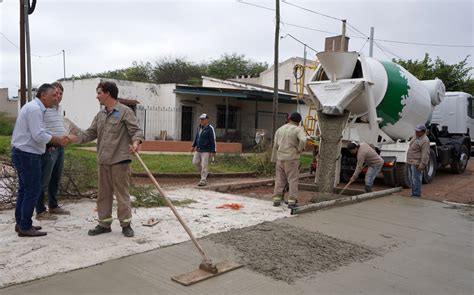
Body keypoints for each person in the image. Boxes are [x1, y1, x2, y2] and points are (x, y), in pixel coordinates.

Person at [74, 81, 144, 237]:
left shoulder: (125, 112)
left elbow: (136, 131)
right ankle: (104, 224)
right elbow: (90, 134)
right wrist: (73, 137)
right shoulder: (100, 115)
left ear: (108, 93)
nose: (97, 96)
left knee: (122, 195)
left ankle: (126, 224)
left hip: (120, 161)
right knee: (103, 195)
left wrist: (136, 142)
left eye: (99, 93)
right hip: (103, 161)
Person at [11, 83, 70, 237]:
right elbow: (39, 135)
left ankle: (22, 223)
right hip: (27, 155)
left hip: (25, 153)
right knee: (32, 189)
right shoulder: (35, 110)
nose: (54, 99)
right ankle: (25, 226)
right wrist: (57, 140)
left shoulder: (35, 108)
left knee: (24, 190)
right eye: (52, 95)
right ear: (43, 95)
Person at [35, 82, 70, 221]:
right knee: (44, 180)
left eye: (61, 94)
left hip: (60, 148)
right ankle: (40, 211)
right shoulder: (44, 108)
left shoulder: (59, 108)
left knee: (55, 178)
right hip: (49, 148)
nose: (58, 97)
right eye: (55, 94)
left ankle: (53, 205)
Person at [271, 112, 307, 209]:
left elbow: (275, 145)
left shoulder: (280, 129)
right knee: (292, 180)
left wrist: (274, 158)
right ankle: (292, 201)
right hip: (291, 159)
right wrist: (299, 149)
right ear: (299, 121)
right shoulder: (298, 129)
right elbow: (303, 140)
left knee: (279, 180)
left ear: (289, 119)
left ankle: (276, 200)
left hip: (280, 158)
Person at [191, 113, 216, 186]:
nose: (201, 121)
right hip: (198, 149)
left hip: (206, 150)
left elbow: (212, 140)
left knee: (204, 165)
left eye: (203, 119)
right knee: (195, 162)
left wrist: (213, 150)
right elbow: (196, 137)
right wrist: (193, 146)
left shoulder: (210, 128)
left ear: (207, 120)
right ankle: (205, 173)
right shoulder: (199, 127)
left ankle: (203, 180)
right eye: (200, 119)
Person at [406, 124, 430, 197]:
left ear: (423, 132)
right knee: (412, 178)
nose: (416, 132)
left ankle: (416, 194)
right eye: (416, 130)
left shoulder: (425, 140)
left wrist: (422, 164)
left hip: (416, 163)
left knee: (416, 179)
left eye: (418, 131)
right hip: (411, 161)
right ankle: (413, 193)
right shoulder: (416, 137)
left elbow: (425, 154)